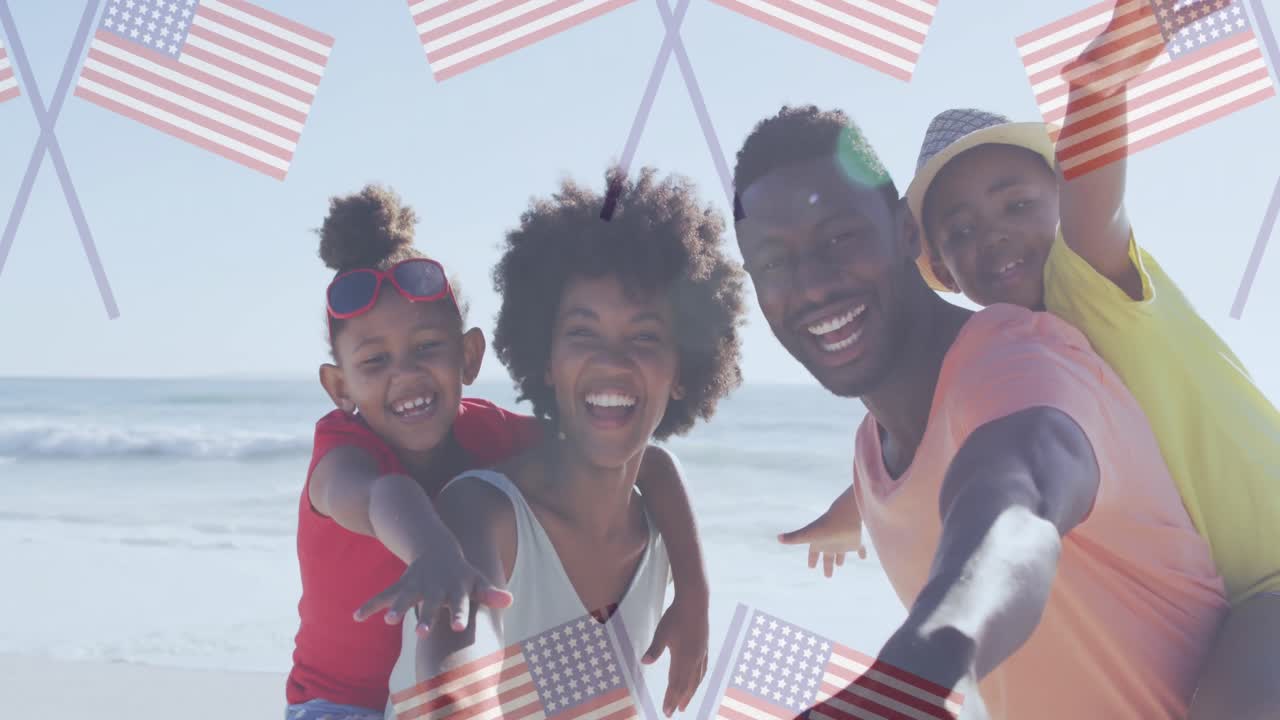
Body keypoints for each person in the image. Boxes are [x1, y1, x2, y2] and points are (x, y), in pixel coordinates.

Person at [733, 105, 1226, 719]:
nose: (811, 285)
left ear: (907, 234)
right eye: (775, 263)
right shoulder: (871, 454)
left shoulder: (1019, 358)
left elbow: (1013, 512)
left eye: (840, 238)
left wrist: (903, 685)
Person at [285, 185, 712, 720]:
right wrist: (431, 549)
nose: (407, 374)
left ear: (469, 356)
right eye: (374, 363)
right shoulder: (340, 453)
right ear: (339, 387)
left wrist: (693, 593)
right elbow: (381, 493)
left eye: (427, 349)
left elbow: (640, 459)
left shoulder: (489, 432)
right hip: (338, 705)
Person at [389, 167, 745, 718]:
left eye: (645, 335)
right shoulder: (482, 512)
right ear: (546, 360)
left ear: (683, 369)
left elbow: (656, 463)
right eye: (582, 331)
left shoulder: (656, 532)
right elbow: (455, 681)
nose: (611, 359)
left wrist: (696, 592)